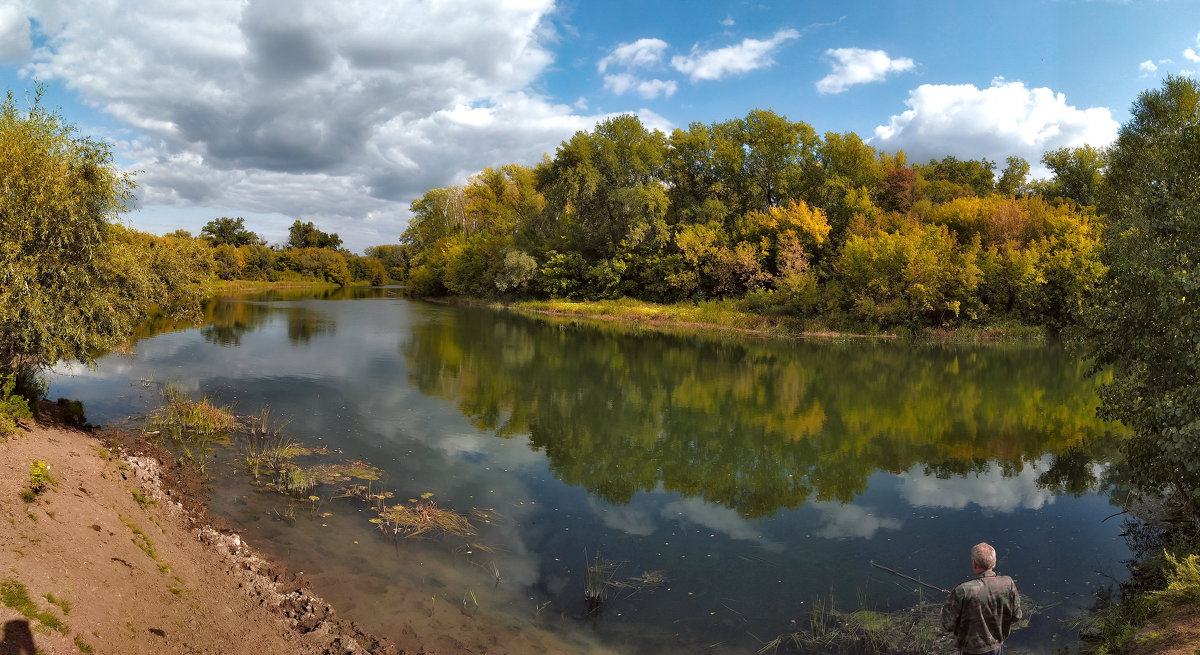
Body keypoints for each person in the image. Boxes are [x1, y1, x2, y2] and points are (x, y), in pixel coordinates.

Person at [940, 542, 1022, 654]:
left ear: (974, 564)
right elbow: (1017, 616)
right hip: (996, 647)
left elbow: (948, 625)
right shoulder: (1008, 583)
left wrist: (943, 613)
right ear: (994, 563)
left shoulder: (962, 590)